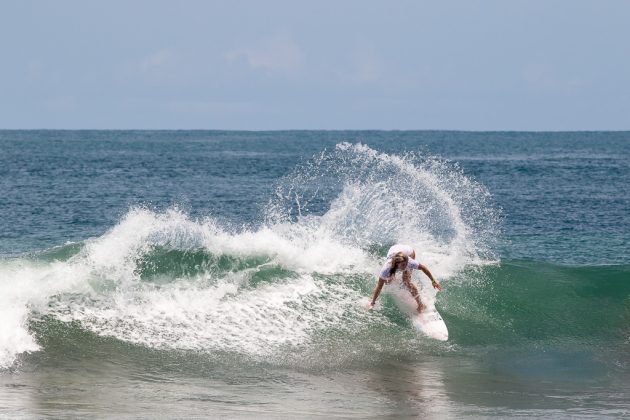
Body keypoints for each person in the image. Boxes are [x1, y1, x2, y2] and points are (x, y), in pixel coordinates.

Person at [369, 244, 441, 313]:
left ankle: (421, 305)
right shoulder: (387, 268)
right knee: (387, 282)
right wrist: (372, 302)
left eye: (406, 263)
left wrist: (433, 281)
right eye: (403, 265)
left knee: (406, 282)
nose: (406, 265)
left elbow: (423, 268)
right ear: (397, 264)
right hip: (394, 250)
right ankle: (393, 276)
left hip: (409, 251)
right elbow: (379, 287)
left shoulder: (409, 262)